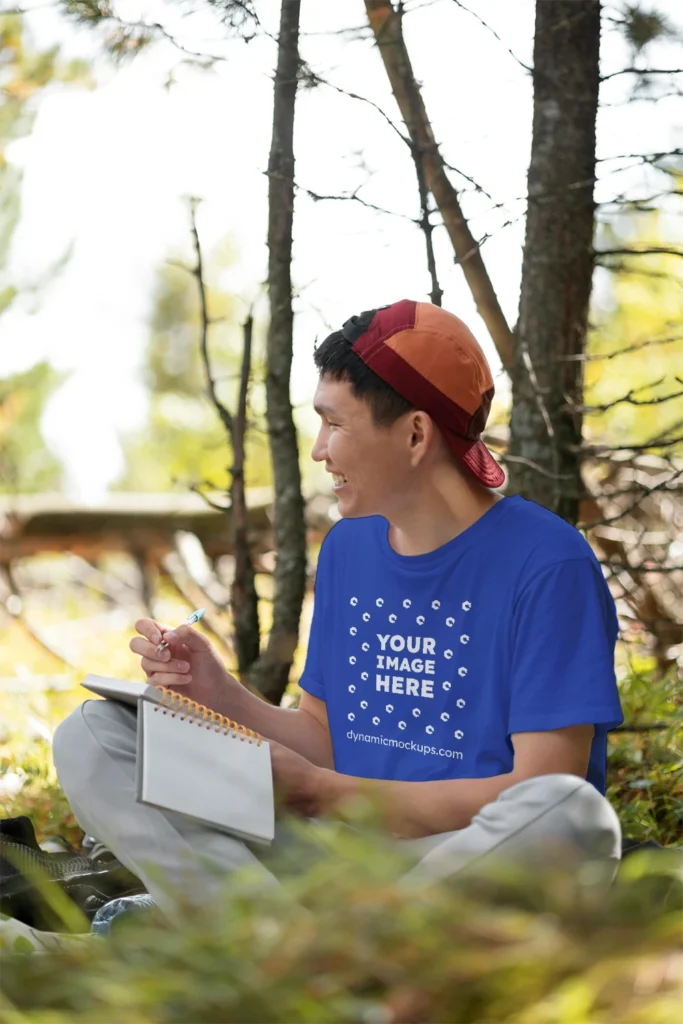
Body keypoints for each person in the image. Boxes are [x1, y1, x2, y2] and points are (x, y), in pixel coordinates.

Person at [53, 300, 624, 908]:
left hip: (461, 860)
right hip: (331, 851)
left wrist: (327, 794)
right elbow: (325, 738)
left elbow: (544, 785)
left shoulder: (547, 563)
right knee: (93, 735)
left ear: (415, 433)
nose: (320, 449)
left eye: (335, 424)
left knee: (570, 814)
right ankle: (276, 937)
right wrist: (220, 695)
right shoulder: (349, 548)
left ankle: (277, 942)